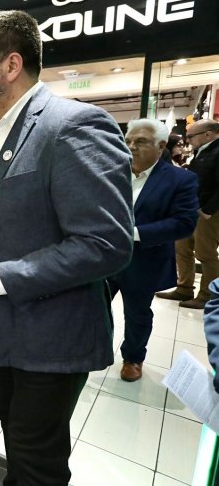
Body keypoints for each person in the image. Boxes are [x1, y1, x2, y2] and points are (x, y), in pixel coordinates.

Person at [0, 10, 132, 485]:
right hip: (1, 334)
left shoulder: (74, 126)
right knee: (14, 436)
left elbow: (107, 243)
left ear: (11, 65)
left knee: (37, 459)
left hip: (53, 338)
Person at [108, 119, 198, 382]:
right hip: (104, 257)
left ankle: (133, 358)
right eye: (128, 141)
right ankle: (91, 349)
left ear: (161, 146)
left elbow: (184, 224)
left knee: (137, 313)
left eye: (141, 142)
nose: (132, 147)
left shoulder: (180, 179)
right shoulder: (112, 171)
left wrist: (134, 234)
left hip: (144, 259)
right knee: (94, 307)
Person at [156, 119, 219, 309]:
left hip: (208, 213)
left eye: (191, 136)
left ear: (208, 134)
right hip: (192, 209)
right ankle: (184, 288)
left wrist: (208, 210)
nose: (188, 140)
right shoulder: (203, 152)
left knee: (205, 253)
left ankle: (209, 295)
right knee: (182, 248)